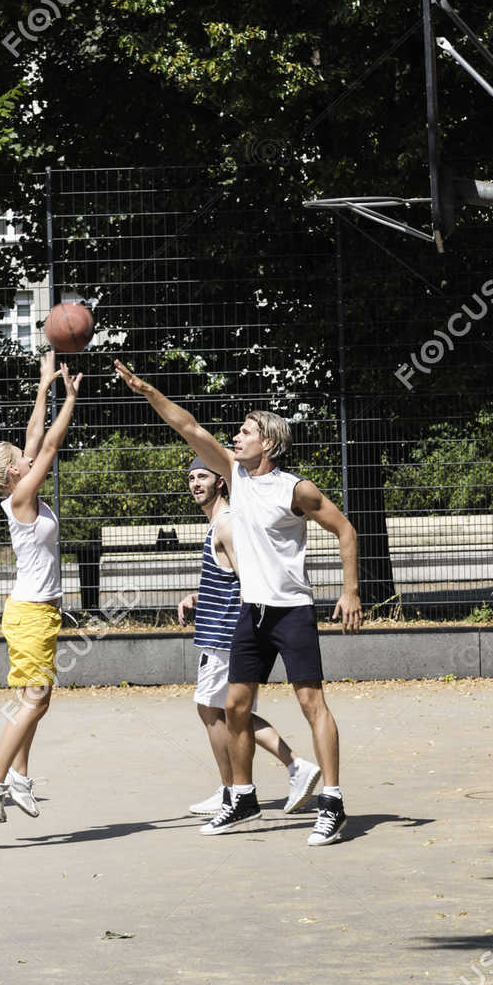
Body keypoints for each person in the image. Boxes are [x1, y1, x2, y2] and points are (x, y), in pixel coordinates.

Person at [114, 361, 362, 844]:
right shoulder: (234, 474)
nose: (238, 437)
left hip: (291, 610)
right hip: (252, 611)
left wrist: (350, 590)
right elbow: (186, 425)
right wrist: (146, 390)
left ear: (267, 442)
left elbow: (346, 529)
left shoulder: (295, 489)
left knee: (312, 703)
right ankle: (243, 798)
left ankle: (332, 800)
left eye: (246, 432)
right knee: (235, 705)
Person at [177, 455, 321, 818]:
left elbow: (249, 578)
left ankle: (245, 786)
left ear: (220, 482)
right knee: (225, 711)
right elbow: (228, 577)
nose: (196, 483)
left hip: (225, 636)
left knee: (215, 711)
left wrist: (246, 630)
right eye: (191, 478)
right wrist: (198, 597)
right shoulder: (221, 523)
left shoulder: (226, 523)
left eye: (203, 477)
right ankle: (237, 787)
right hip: (221, 631)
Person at [0, 353, 81, 822]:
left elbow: (36, 436)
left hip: (40, 612)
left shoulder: (19, 486)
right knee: (34, 701)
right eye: (20, 457)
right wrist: (70, 401)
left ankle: (18, 776)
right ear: (15, 472)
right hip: (31, 613)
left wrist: (42, 386)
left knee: (38, 700)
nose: (26, 453)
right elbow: (51, 445)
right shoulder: (20, 496)